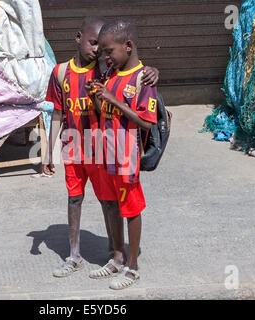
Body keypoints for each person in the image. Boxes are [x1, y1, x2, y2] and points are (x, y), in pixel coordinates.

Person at [43, 16, 159, 278]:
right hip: (73, 145)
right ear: (78, 38)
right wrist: (48, 151)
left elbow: (136, 76)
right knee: (75, 198)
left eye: (103, 48)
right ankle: (76, 256)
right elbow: (58, 113)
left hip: (106, 148)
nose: (98, 52)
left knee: (112, 202)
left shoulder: (107, 70)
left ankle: (119, 256)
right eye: (94, 44)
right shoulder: (63, 73)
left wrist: (153, 71)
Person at [86, 18, 158, 289]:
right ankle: (116, 257)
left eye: (108, 52)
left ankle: (132, 266)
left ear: (128, 46)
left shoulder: (144, 79)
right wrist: (95, 96)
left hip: (126, 154)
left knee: (131, 208)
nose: (105, 57)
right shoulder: (110, 74)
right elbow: (102, 110)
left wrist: (113, 99)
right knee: (109, 203)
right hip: (106, 152)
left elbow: (146, 122)